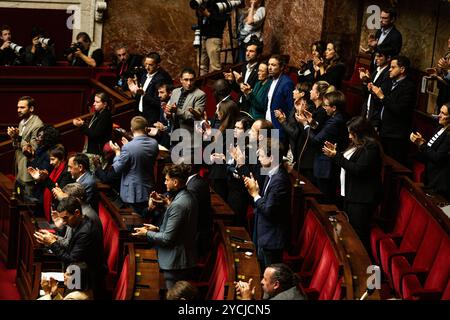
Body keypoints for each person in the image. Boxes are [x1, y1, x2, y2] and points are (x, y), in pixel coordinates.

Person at [132, 164, 198, 289]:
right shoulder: (189, 196)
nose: (165, 182)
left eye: (167, 180)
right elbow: (180, 227)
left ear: (175, 182)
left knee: (173, 296)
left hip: (175, 263)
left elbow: (167, 238)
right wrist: (156, 229)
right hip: (182, 258)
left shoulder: (178, 204)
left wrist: (146, 233)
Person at [322, 116, 383, 249]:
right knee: (350, 230)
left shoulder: (372, 147)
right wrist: (336, 153)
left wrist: (336, 156)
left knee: (359, 234)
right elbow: (347, 161)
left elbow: (358, 169)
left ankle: (363, 264)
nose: (349, 136)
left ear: (361, 133)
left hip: (362, 199)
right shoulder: (357, 145)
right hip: (351, 195)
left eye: (352, 133)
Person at [34, 196, 106, 299]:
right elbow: (70, 246)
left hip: (84, 279)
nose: (63, 222)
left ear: (77, 213)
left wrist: (52, 243)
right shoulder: (79, 223)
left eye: (65, 218)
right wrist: (55, 238)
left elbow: (72, 259)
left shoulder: (86, 232)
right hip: (76, 274)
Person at [244, 138, 291, 270]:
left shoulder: (279, 180)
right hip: (264, 235)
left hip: (272, 240)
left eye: (262, 155)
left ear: (272, 158)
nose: (259, 158)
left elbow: (269, 210)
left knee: (270, 277)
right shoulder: (272, 174)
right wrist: (258, 192)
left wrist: (255, 194)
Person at [296, 90, 348, 203]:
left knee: (325, 198)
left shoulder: (335, 121)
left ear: (334, 108)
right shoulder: (335, 117)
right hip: (325, 163)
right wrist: (312, 121)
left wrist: (305, 124)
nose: (324, 107)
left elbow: (315, 140)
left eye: (326, 105)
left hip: (326, 165)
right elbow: (323, 132)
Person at [369, 55, 416, 166]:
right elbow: (379, 104)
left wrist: (382, 97)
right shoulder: (389, 81)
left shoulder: (409, 87)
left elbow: (399, 110)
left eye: (393, 67)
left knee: (393, 167)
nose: (389, 69)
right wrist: (373, 92)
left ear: (402, 69)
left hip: (396, 136)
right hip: (382, 130)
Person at [110, 116, 159, 216]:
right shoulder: (154, 144)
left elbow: (118, 168)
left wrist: (118, 153)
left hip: (132, 193)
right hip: (148, 189)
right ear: (146, 128)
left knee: (134, 222)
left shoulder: (128, 147)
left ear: (131, 129)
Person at [410, 103, 450, 200]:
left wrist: (422, 145)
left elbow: (438, 157)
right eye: (440, 112)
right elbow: (431, 149)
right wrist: (423, 142)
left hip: (439, 181)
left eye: (443, 113)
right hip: (430, 175)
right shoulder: (440, 127)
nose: (439, 115)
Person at [167, 67, 206, 162]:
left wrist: (176, 110)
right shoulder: (175, 92)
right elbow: (171, 113)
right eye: (186, 79)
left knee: (186, 170)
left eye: (191, 80)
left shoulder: (200, 95)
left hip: (190, 139)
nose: (189, 83)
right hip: (175, 135)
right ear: (180, 80)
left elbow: (193, 116)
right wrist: (167, 114)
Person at [7, 96, 44, 197]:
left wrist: (18, 138)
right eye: (18, 107)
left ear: (31, 109)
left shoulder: (37, 125)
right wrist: (13, 137)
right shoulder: (22, 122)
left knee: (28, 203)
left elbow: (33, 150)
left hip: (28, 171)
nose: (18, 110)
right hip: (19, 167)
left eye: (22, 107)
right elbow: (17, 146)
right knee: (18, 198)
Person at [127, 52, 172, 126]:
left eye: (150, 65)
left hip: (152, 118)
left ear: (157, 66)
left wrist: (144, 94)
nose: (147, 67)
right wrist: (134, 91)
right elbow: (140, 96)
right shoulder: (144, 75)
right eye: (146, 64)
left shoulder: (161, 79)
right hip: (140, 113)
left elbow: (159, 103)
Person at [360, 45, 392, 132]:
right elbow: (366, 93)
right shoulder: (376, 70)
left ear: (388, 58)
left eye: (380, 56)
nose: (376, 58)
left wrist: (370, 84)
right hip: (367, 111)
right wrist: (365, 81)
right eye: (376, 56)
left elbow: (380, 95)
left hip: (376, 116)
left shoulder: (388, 74)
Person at [224, 39, 261, 111]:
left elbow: (255, 93)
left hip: (251, 107)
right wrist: (232, 81)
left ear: (258, 54)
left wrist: (240, 82)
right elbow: (239, 90)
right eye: (247, 51)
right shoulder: (244, 67)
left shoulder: (260, 70)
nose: (247, 54)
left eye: (251, 51)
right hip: (241, 105)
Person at [264, 54, 295, 143]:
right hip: (266, 123)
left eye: (273, 65)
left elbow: (291, 108)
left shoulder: (287, 83)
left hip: (278, 127)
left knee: (275, 155)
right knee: (263, 155)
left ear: (281, 67)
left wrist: (285, 125)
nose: (269, 67)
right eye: (269, 64)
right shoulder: (270, 80)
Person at [235, 263, 306, 300]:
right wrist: (249, 295)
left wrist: (246, 298)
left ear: (276, 285)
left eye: (265, 279)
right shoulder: (288, 288)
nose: (261, 282)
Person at [73, 91, 113, 155]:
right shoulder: (98, 113)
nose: (94, 104)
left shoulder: (105, 116)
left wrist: (82, 125)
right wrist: (80, 125)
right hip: (92, 148)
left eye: (97, 102)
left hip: (97, 152)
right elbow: (91, 130)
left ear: (105, 104)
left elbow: (94, 135)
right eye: (94, 101)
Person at [196, 0, 228, 75]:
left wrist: (209, 14)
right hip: (203, 35)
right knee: (201, 65)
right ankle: (203, 84)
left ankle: (217, 85)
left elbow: (223, 19)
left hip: (214, 36)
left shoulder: (221, 3)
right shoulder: (204, 3)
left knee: (215, 66)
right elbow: (199, 16)